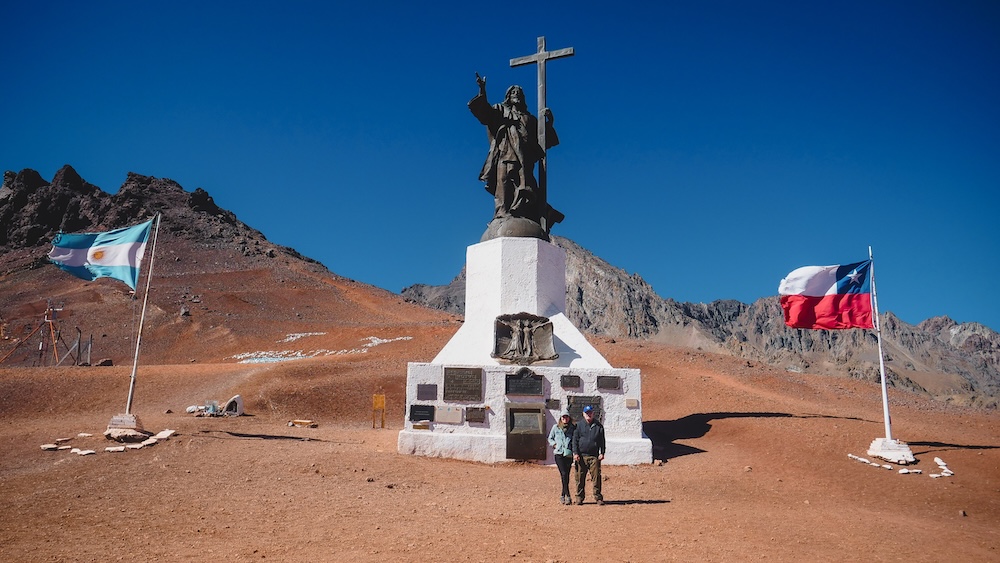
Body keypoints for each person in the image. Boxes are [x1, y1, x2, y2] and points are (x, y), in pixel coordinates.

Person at [468, 73, 562, 233]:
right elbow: (485, 114)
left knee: (526, 188)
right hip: (505, 154)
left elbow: (544, 140)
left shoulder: (530, 119)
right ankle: (502, 214)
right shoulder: (500, 111)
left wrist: (549, 122)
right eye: (513, 93)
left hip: (524, 161)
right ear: (508, 96)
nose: (516, 95)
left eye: (519, 93)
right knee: (503, 181)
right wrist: (482, 90)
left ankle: (524, 213)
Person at [572, 405, 606, 505]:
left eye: (590, 413)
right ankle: (579, 497)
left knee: (596, 478)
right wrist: (575, 453)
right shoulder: (579, 425)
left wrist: (602, 452)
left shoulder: (598, 426)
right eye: (587, 413)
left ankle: (598, 497)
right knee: (579, 478)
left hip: (594, 456)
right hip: (581, 456)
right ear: (583, 414)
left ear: (593, 413)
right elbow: (575, 440)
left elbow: (602, 441)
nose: (588, 415)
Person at [547, 411, 576, 505]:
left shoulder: (573, 428)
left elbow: (576, 439)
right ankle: (568, 495)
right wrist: (554, 445)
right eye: (563, 417)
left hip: (568, 454)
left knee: (566, 474)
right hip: (559, 454)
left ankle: (562, 494)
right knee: (563, 473)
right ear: (560, 418)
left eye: (567, 417)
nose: (565, 419)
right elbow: (550, 438)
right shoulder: (556, 427)